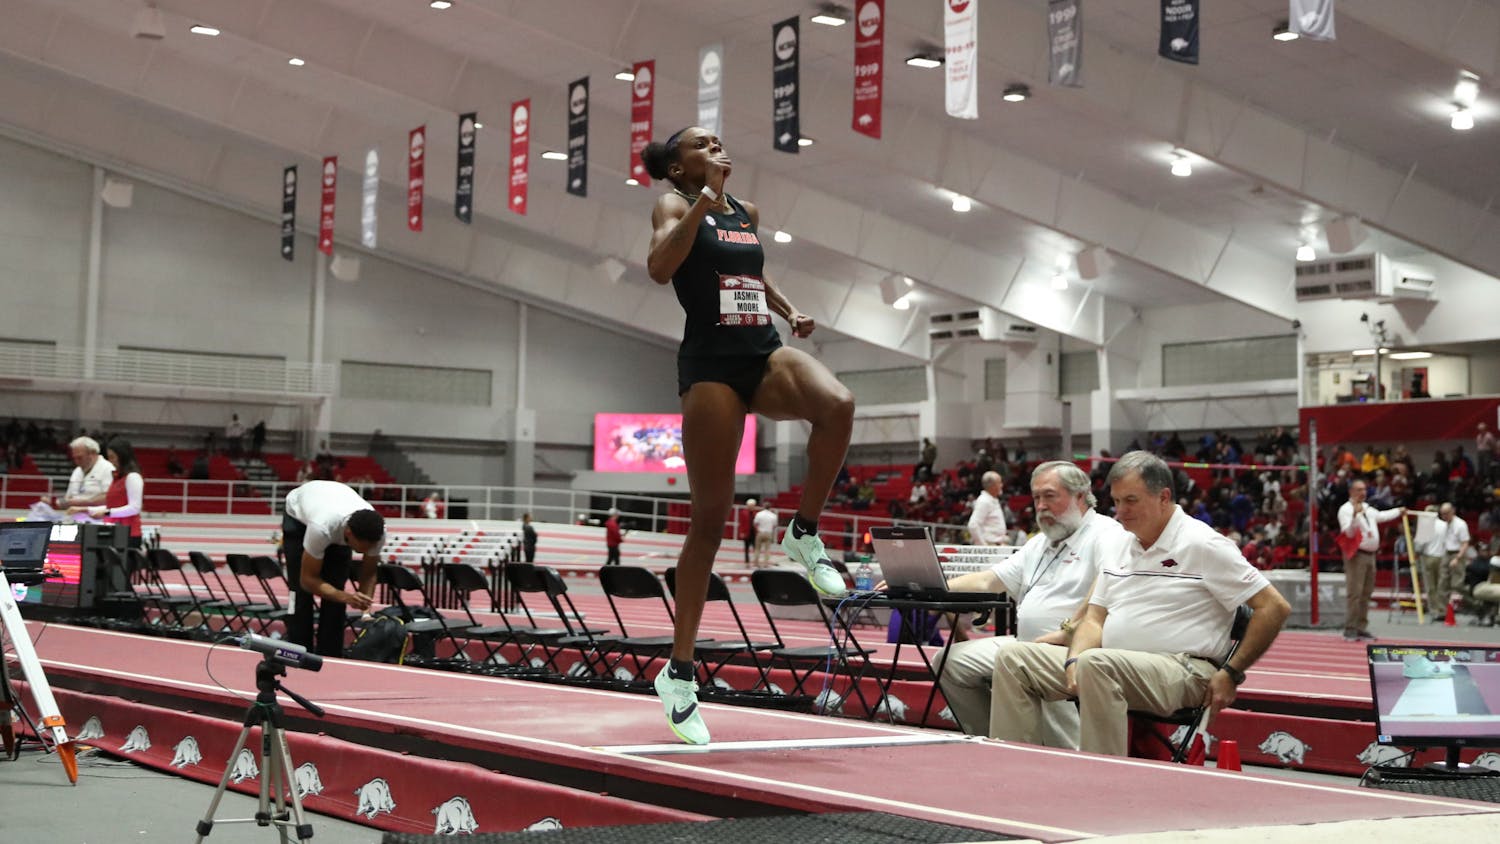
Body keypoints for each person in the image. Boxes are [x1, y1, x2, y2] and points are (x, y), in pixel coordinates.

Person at [640, 126, 856, 745]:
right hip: (710, 369)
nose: (718, 148)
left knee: (837, 404)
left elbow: (749, 276)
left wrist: (788, 311)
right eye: (702, 146)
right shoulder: (676, 205)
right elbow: (660, 268)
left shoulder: (746, 213)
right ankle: (679, 677)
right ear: (678, 169)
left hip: (761, 352)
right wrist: (702, 203)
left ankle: (804, 532)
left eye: (718, 141)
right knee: (710, 520)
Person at [990, 451, 1291, 757]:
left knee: (1097, 665)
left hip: (1184, 669)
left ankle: (1103, 779)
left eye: (1131, 501)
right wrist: (1074, 658)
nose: (1120, 512)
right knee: (1015, 658)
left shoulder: (1202, 543)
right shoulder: (1119, 545)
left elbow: (1274, 607)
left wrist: (1232, 673)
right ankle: (1014, 765)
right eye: (1117, 501)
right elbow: (1094, 619)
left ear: (1163, 497)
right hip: (1113, 662)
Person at [922, 460, 1128, 744]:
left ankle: (1065, 754)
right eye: (1036, 497)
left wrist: (1070, 630)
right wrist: (927, 585)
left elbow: (1109, 580)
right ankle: (992, 739)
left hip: (1071, 647)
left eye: (1049, 496)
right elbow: (988, 581)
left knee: (1024, 664)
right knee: (949, 661)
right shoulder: (1039, 542)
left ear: (1080, 496)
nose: (1040, 505)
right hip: (1024, 643)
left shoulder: (1106, 533)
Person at [281, 480, 386, 657]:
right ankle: (298, 649)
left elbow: (368, 573)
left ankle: (330, 653)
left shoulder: (378, 533)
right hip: (298, 518)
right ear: (349, 535)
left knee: (337, 587)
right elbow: (308, 580)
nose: (367, 552)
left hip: (336, 506)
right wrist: (346, 597)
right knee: (299, 591)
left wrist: (364, 607)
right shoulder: (322, 528)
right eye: (362, 548)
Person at [1337, 478, 1405, 640]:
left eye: (1364, 490)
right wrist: (1355, 517)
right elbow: (1348, 533)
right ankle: (1350, 627)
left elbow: (1381, 516)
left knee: (1366, 593)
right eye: (1359, 490)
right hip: (1356, 554)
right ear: (1351, 492)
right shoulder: (1345, 510)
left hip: (1370, 555)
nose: (1363, 493)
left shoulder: (1368, 509)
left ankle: (1361, 626)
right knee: (1355, 593)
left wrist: (1398, 511)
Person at [71, 437, 145, 549]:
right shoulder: (117, 479)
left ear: (122, 456)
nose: (110, 461)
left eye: (112, 457)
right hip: (114, 532)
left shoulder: (133, 477)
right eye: (109, 457)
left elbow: (135, 508)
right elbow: (112, 506)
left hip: (129, 535)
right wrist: (85, 510)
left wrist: (107, 513)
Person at [1419, 503, 1470, 621]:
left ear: (1453, 511)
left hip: (1452, 554)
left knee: (1455, 585)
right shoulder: (1444, 524)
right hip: (1444, 555)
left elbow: (1465, 542)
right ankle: (1442, 611)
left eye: (1446, 514)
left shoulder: (1460, 524)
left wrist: (1457, 558)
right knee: (1442, 586)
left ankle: (1475, 602)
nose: (1444, 516)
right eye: (1442, 514)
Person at [47, 436, 115, 511]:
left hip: (97, 517)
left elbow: (109, 497)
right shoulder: (77, 471)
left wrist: (84, 502)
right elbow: (69, 498)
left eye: (79, 458)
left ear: (92, 453)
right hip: (74, 516)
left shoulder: (108, 469)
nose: (76, 461)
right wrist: (55, 503)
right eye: (74, 458)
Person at [967, 471, 1007, 545]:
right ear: (992, 486)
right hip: (990, 545)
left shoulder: (991, 499)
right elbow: (973, 525)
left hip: (997, 544)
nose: (1002, 485)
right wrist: (983, 546)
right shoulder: (984, 501)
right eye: (999, 483)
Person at [752, 501, 779, 569]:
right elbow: (775, 525)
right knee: (767, 549)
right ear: (770, 507)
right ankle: (765, 564)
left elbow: (755, 523)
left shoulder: (759, 514)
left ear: (763, 507)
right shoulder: (773, 515)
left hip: (760, 532)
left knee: (757, 549)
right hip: (768, 533)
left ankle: (756, 563)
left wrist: (758, 530)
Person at [739, 499, 757, 564]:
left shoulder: (755, 513)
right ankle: (747, 562)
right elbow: (741, 523)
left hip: (754, 533)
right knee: (746, 549)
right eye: (750, 506)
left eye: (753, 506)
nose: (752, 507)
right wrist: (741, 532)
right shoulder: (743, 513)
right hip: (746, 533)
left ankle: (755, 561)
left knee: (755, 548)